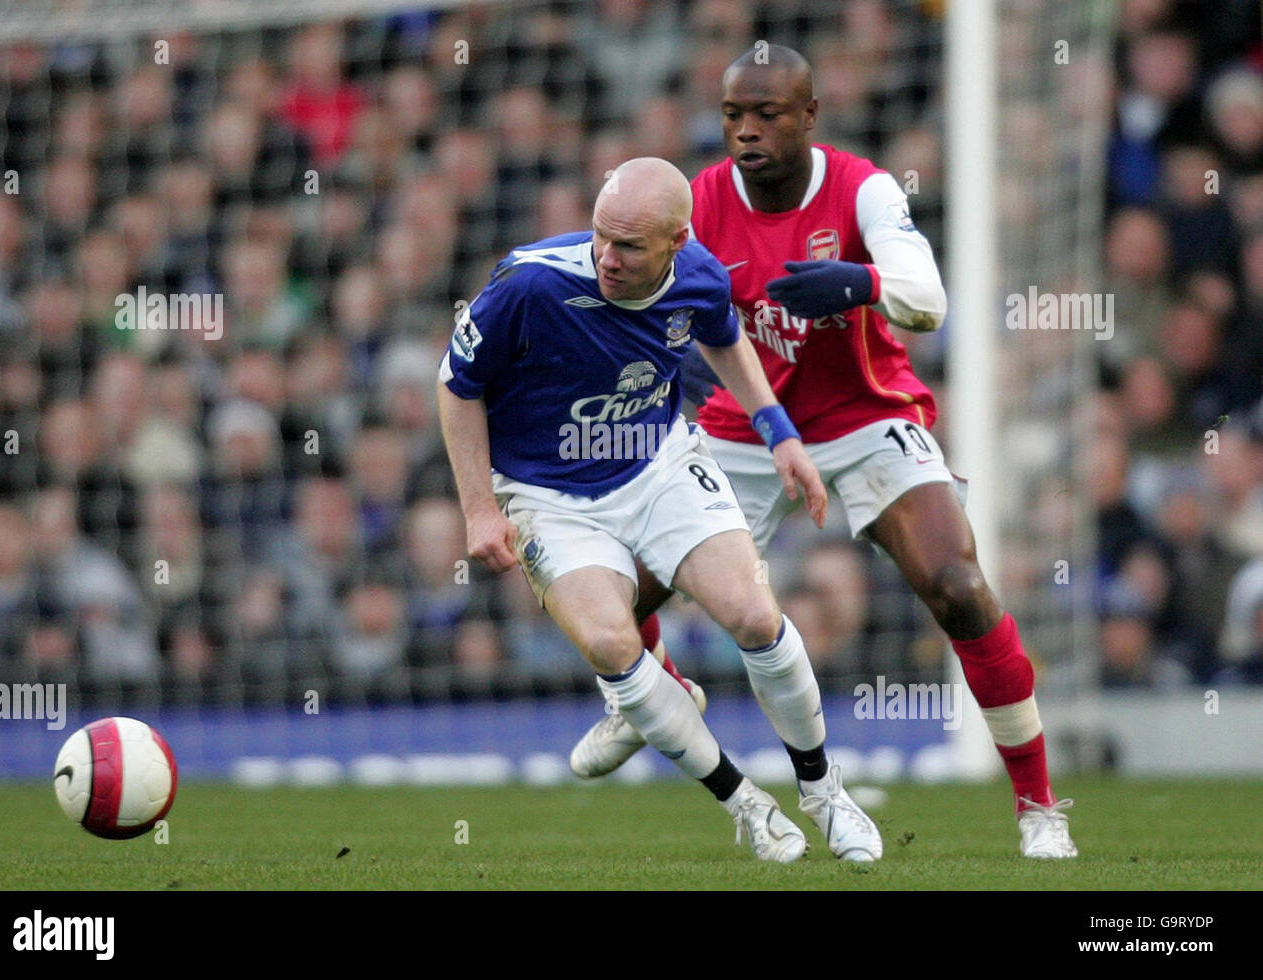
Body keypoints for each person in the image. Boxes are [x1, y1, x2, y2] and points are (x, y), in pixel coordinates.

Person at [569, 47, 1078, 860]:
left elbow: (930, 300)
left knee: (957, 585)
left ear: (809, 116)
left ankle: (1039, 805)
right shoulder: (697, 204)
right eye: (734, 114)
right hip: (750, 422)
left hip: (865, 411)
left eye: (767, 114)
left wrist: (860, 282)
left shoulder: (863, 188)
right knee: (621, 596)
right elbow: (658, 305)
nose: (746, 131)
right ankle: (649, 697)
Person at [438, 156, 883, 862]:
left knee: (755, 615)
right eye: (600, 237)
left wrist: (780, 432)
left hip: (659, 465)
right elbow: (456, 384)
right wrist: (477, 510)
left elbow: (723, 336)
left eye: (629, 246)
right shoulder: (529, 282)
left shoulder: (702, 272)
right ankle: (744, 804)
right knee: (615, 645)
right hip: (548, 497)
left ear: (677, 242)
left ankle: (823, 790)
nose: (607, 258)